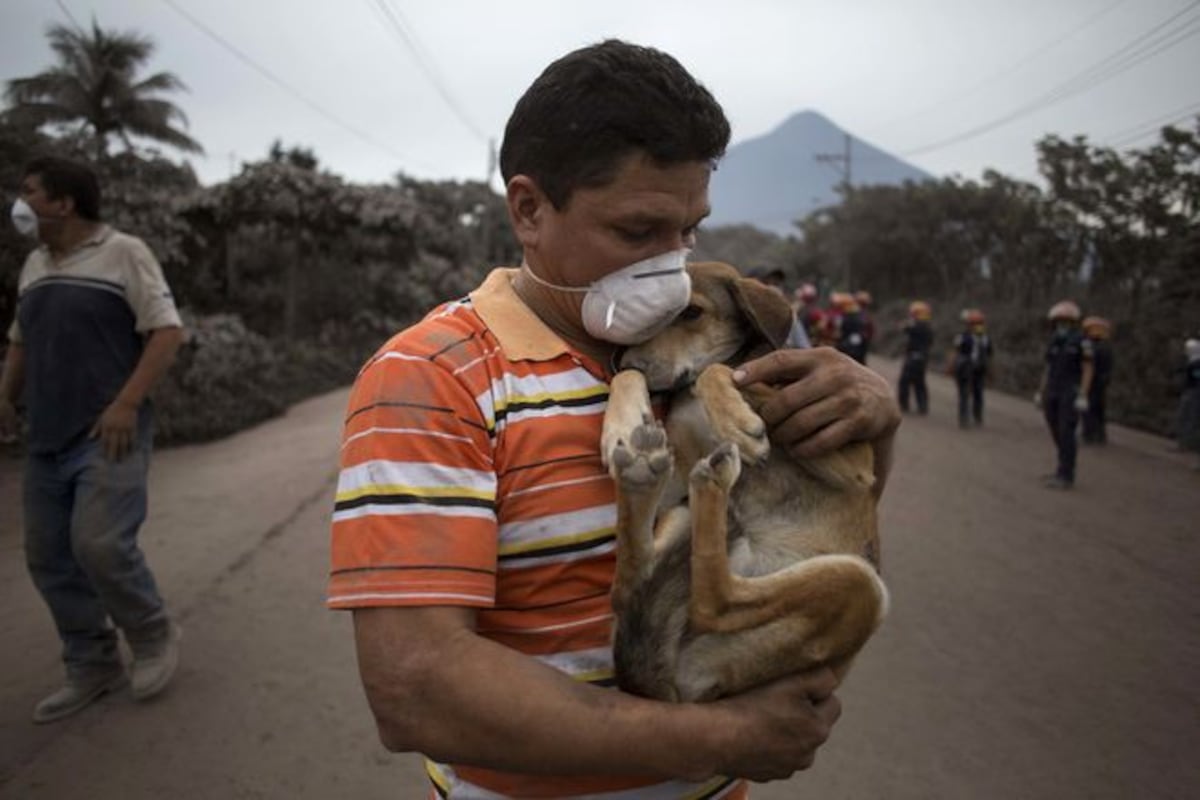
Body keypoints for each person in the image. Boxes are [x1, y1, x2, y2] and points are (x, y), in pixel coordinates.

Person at [327, 40, 900, 799]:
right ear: (529, 210)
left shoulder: (701, 346)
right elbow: (415, 686)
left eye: (689, 231)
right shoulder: (434, 379)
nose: (671, 268)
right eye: (638, 233)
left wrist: (873, 423)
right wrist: (721, 738)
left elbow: (813, 523)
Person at [0, 156, 185, 723]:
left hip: (108, 431)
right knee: (48, 555)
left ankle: (152, 636)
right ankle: (91, 662)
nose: (21, 202)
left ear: (63, 202)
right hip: (46, 434)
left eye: (30, 191)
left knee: (100, 544)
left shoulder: (123, 251)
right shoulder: (35, 263)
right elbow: (22, 341)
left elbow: (166, 330)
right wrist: (5, 397)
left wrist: (127, 403)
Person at [1033, 299, 1093, 490]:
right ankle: (1062, 466)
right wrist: (1040, 391)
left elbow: (1088, 368)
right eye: (1059, 321)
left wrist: (1083, 394)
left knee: (1067, 431)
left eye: (1066, 321)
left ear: (1073, 322)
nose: (1062, 324)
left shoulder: (1082, 342)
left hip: (1070, 390)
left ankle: (1066, 474)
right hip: (1053, 389)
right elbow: (1047, 367)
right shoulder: (1054, 341)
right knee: (1054, 426)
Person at [949, 308, 992, 428]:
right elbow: (990, 354)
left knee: (965, 394)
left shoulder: (964, 336)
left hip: (968, 369)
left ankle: (965, 418)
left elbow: (956, 350)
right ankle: (975, 417)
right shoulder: (985, 338)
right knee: (977, 393)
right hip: (976, 368)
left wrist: (952, 366)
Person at [748, 266, 810, 348]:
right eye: (767, 283)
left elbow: (805, 349)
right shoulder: (743, 317)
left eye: (776, 284)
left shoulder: (789, 319)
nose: (774, 288)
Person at [1080, 316, 1113, 445]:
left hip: (1093, 381)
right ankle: (1100, 435)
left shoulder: (1091, 347)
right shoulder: (1107, 347)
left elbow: (1088, 365)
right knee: (1099, 408)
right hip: (1103, 381)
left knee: (1088, 408)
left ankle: (1089, 434)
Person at [898, 300, 934, 415]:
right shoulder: (928, 327)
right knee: (920, 382)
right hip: (923, 358)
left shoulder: (916, 325)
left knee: (904, 381)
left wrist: (910, 321)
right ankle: (923, 406)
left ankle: (904, 405)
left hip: (913, 357)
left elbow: (903, 327)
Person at [1175, 337, 1200, 470]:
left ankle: (1185, 444)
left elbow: (1197, 378)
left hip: (1193, 393)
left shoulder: (1196, 363)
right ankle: (1182, 443)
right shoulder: (1191, 362)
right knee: (1184, 417)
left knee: (1188, 418)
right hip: (1189, 391)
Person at [854, 290, 875, 364]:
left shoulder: (862, 315)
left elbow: (870, 330)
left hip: (860, 342)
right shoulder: (864, 314)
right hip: (861, 342)